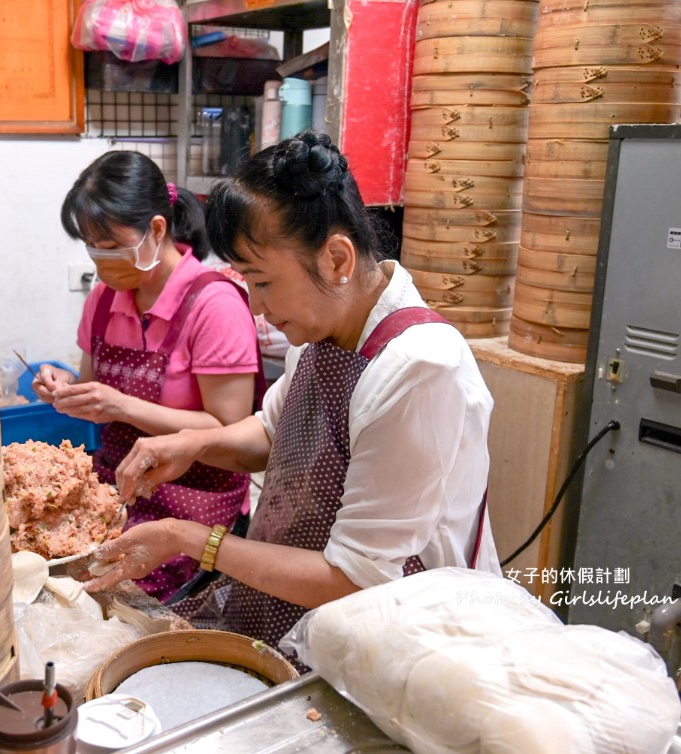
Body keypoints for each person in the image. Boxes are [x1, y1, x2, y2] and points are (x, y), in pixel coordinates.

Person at [80, 131, 501, 659]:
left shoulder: (420, 368)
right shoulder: (327, 330)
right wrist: (191, 444)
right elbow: (273, 430)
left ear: (337, 260)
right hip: (294, 604)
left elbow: (354, 578)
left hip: (386, 636)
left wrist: (190, 539)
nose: (256, 308)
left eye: (263, 283)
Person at [32, 150, 264, 602]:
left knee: (110, 600)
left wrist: (120, 405)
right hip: (119, 490)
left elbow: (231, 432)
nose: (100, 258)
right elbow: (89, 389)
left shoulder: (214, 305)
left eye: (111, 244)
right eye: (90, 245)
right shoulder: (104, 298)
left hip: (195, 504)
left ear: (156, 230)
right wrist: (61, 387)